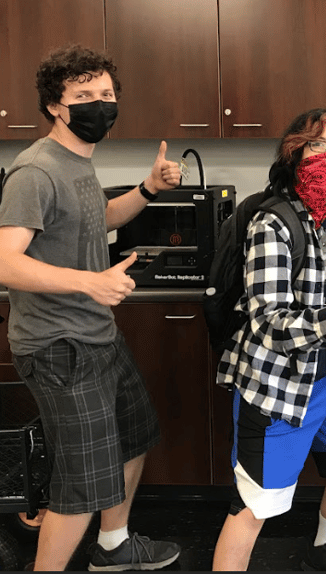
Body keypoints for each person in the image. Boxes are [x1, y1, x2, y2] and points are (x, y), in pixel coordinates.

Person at [0, 45, 182, 571]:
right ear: (55, 106)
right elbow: (5, 261)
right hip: (59, 348)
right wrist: (90, 283)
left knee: (133, 435)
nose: (99, 104)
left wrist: (148, 188)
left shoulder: (76, 161)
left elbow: (99, 217)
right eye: (84, 95)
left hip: (98, 336)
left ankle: (114, 546)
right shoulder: (35, 171)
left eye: (105, 93)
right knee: (80, 486)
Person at [212, 108, 326, 571]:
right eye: (319, 145)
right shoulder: (271, 224)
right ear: (294, 152)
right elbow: (269, 324)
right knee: (254, 505)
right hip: (277, 389)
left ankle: (323, 551)